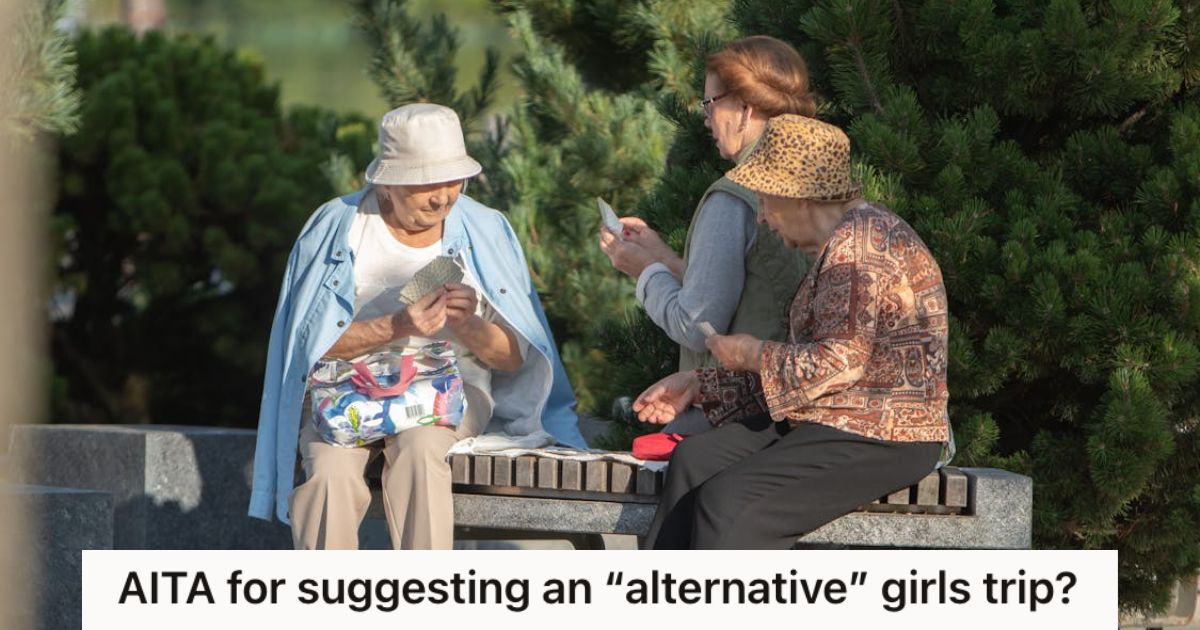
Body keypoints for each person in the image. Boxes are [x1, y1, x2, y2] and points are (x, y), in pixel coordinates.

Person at [248, 103, 586, 550]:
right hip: (346, 391)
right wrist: (396, 325)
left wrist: (466, 326)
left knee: (421, 451)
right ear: (386, 182)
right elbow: (306, 350)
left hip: (447, 392)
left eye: (453, 178)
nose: (442, 196)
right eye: (426, 181)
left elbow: (513, 357)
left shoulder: (484, 229)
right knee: (328, 475)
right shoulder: (337, 229)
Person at [633, 114, 952, 549]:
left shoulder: (859, 246)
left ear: (799, 195)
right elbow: (809, 374)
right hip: (829, 419)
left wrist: (749, 353)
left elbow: (836, 366)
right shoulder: (845, 240)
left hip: (884, 436)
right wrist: (701, 384)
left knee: (729, 506)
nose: (763, 217)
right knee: (695, 460)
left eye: (766, 201)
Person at [599, 36, 814, 434]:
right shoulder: (819, 182)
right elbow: (758, 287)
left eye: (709, 103)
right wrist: (666, 259)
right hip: (806, 409)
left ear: (745, 109)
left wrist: (644, 273)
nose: (704, 117)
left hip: (737, 412)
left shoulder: (732, 197)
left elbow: (696, 326)